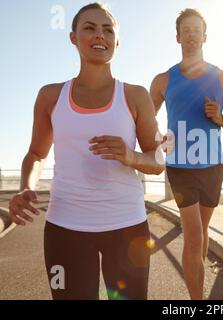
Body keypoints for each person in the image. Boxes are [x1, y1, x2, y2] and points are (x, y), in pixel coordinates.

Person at [8, 3, 164, 300]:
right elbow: (36, 154)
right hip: (65, 227)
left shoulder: (135, 96)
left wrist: (129, 156)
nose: (99, 36)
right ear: (73, 37)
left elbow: (158, 161)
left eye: (108, 30)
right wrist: (26, 187)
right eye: (89, 28)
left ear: (117, 41)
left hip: (127, 227)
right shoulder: (50, 95)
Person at [150, 8, 223, 300]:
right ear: (178, 38)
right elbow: (145, 121)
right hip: (180, 166)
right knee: (193, 234)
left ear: (205, 36)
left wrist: (219, 118)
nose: (191, 35)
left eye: (196, 29)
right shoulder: (163, 80)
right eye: (185, 30)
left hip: (213, 165)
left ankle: (196, 285)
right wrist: (158, 139)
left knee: (202, 231)